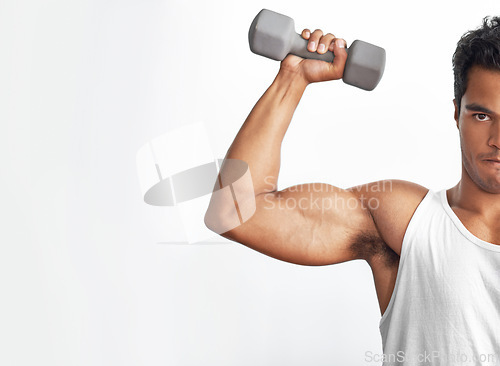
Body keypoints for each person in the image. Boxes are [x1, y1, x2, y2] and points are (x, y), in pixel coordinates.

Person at [205, 16, 500, 365]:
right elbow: (236, 212)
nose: (497, 141)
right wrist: (293, 79)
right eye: (482, 116)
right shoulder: (406, 223)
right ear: (457, 113)